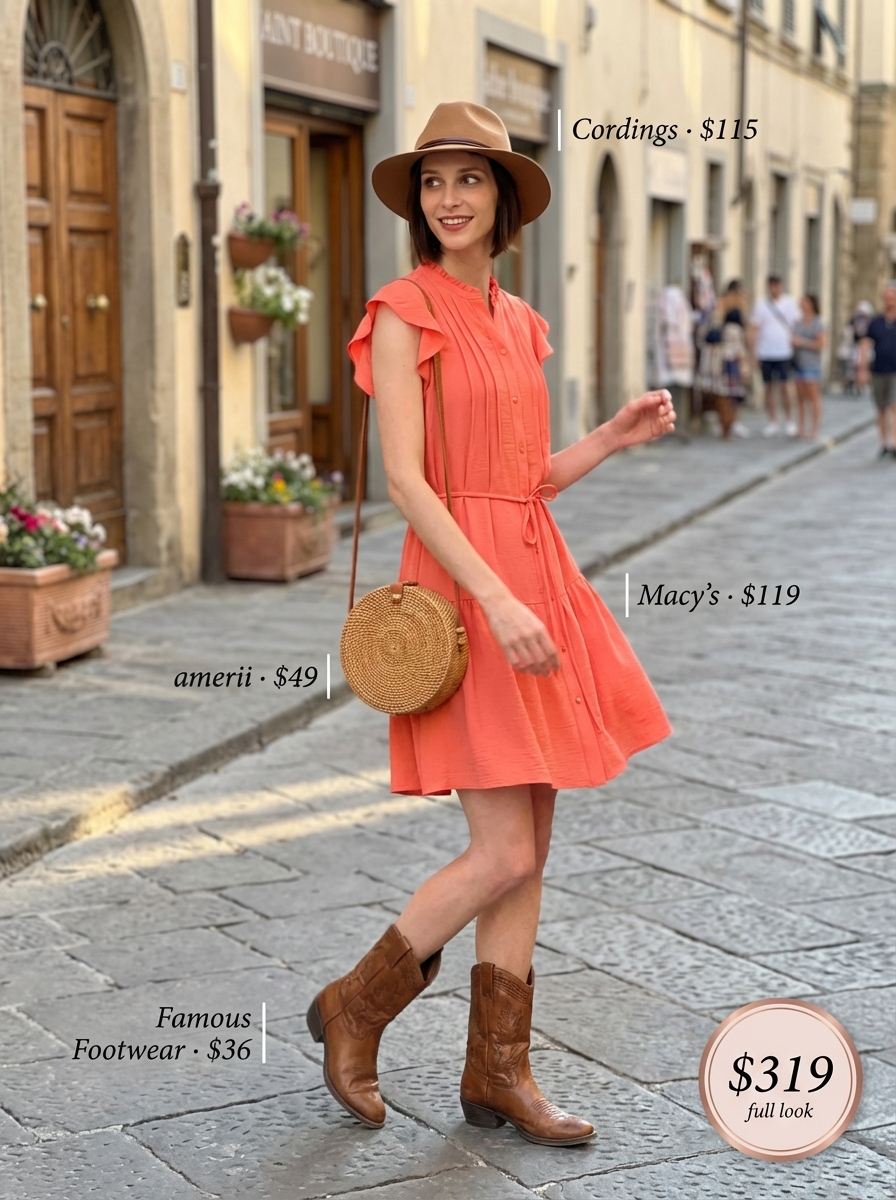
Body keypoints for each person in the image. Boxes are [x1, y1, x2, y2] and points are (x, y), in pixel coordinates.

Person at [305, 103, 674, 1147]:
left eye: (470, 180)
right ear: (417, 203)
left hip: (534, 578)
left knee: (532, 843)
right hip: (469, 595)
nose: (450, 199)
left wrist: (609, 435)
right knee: (499, 846)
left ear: (503, 200)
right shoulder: (402, 311)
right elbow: (410, 485)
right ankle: (352, 1006)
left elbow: (523, 482)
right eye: (433, 182)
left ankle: (496, 1074)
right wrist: (496, 599)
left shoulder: (517, 321)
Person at [749, 274, 800, 436]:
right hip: (766, 352)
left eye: (777, 286)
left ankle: (790, 420)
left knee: (785, 387)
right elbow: (755, 329)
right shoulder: (761, 305)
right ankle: (772, 421)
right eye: (772, 286)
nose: (774, 289)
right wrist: (754, 353)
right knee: (769, 388)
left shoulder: (790, 303)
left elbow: (796, 325)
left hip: (784, 351)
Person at [698, 279, 750, 438]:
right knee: (722, 392)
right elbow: (709, 332)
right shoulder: (719, 307)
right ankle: (724, 424)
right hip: (721, 357)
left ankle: (731, 423)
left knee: (733, 393)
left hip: (734, 354)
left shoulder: (739, 308)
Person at [857, 281, 896, 457]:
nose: (889, 300)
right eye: (886, 297)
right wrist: (862, 368)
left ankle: (894, 442)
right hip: (879, 370)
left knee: (894, 405)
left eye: (892, 297)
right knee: (881, 408)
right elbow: (865, 345)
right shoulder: (876, 322)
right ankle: (884, 442)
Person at [791, 294, 826, 440]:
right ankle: (801, 428)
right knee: (800, 398)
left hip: (811, 364)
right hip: (798, 363)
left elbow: (821, 344)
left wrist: (802, 343)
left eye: (805, 301)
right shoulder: (798, 322)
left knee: (813, 397)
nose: (802, 303)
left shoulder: (818, 323)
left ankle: (814, 429)